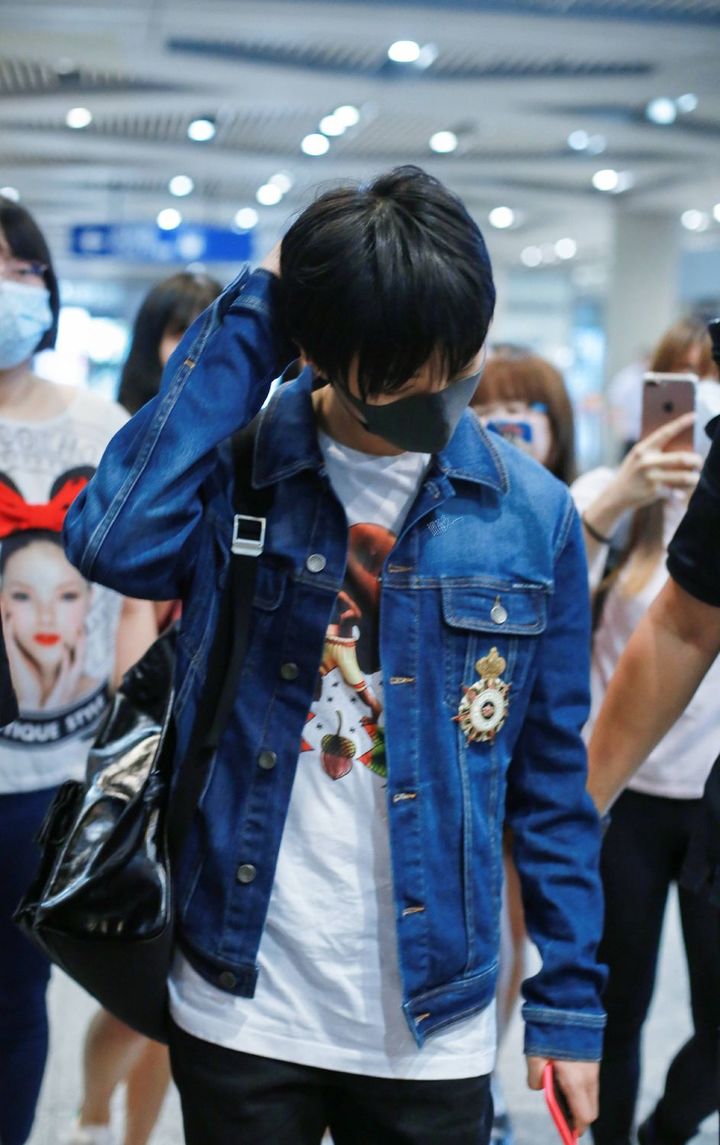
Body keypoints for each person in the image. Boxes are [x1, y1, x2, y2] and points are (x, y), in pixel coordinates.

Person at [64, 165, 606, 1145]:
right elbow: (115, 542)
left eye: (459, 361)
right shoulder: (240, 472)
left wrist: (568, 1000)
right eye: (404, 376)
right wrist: (258, 310)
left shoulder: (532, 516)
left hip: (433, 1016)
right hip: (243, 996)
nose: (439, 393)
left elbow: (551, 780)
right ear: (314, 350)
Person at [0, 195, 157, 1145]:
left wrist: (127, 753)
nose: (5, 290)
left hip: (50, 777)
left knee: (17, 997)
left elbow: (133, 603)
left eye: (20, 271)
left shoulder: (103, 428)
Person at [64, 271, 220, 1145]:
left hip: (221, 743)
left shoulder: (255, 445)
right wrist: (141, 742)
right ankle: (92, 1119)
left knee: (179, 994)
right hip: (151, 732)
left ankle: (132, 1138)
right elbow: (127, 611)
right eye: (176, 329)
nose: (191, 345)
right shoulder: (136, 445)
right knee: (131, 968)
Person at [573, 320, 720, 1145]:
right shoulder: (612, 492)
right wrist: (622, 498)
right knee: (615, 1005)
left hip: (708, 797)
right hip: (623, 796)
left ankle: (664, 1130)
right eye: (683, 386)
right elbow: (547, 600)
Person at [471, 351, 577, 1145]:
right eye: (485, 409)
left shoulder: (570, 506)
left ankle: (485, 1074)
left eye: (520, 411)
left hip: (548, 750)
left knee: (514, 929)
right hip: (473, 741)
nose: (500, 426)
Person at [117, 270, 222, 416]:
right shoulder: (120, 420)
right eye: (181, 335)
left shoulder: (245, 422)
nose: (197, 349)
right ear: (151, 341)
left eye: (209, 335)